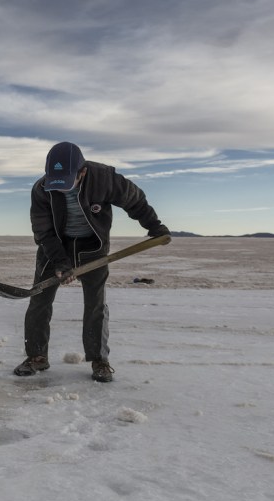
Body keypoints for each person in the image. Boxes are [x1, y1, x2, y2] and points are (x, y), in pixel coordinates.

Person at [13, 142, 169, 382]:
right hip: (55, 246)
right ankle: (36, 356)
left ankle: (99, 360)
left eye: (67, 182)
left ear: (82, 172)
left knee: (95, 304)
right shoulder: (41, 189)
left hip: (93, 247)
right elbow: (43, 232)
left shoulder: (105, 178)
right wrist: (60, 263)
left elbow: (134, 200)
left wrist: (154, 226)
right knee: (39, 300)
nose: (62, 189)